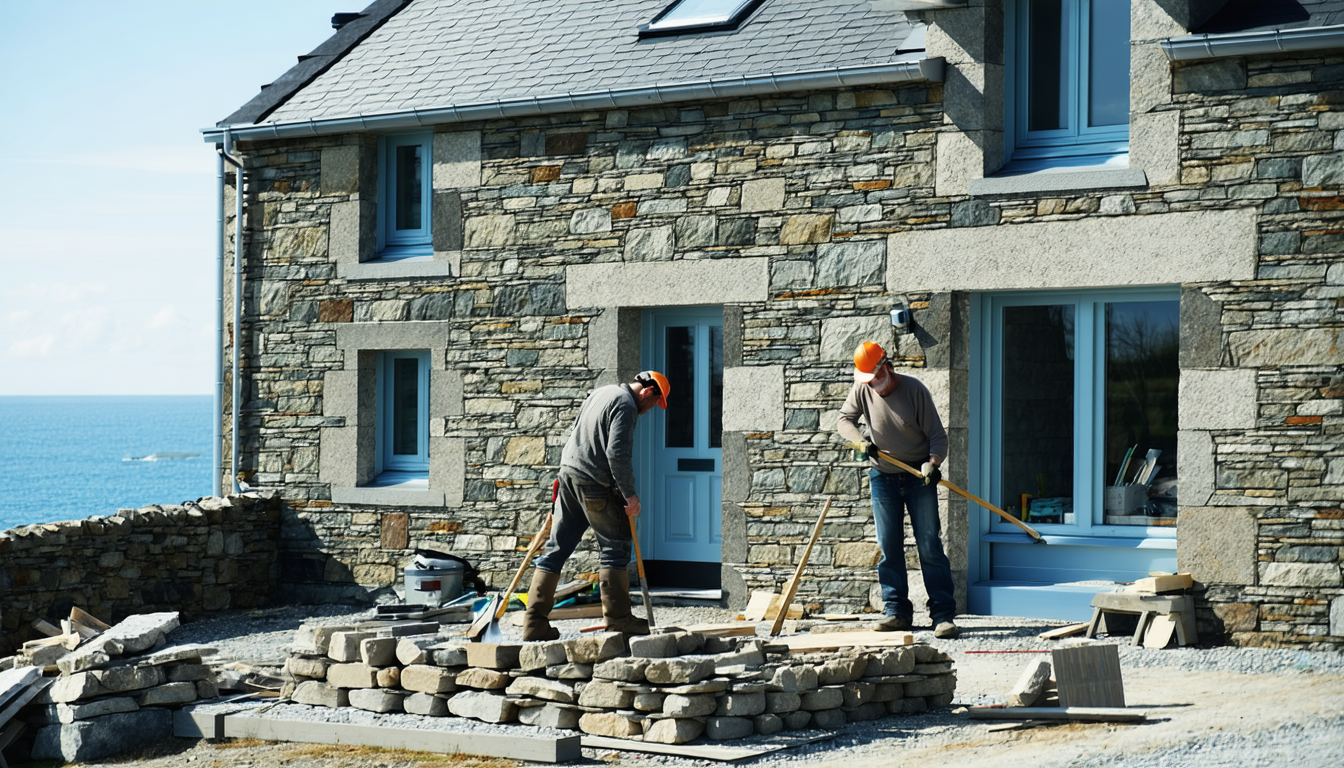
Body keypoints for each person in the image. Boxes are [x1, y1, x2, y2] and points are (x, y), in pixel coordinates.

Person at [522, 370, 671, 640]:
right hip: (593, 481)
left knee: (557, 548)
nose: (648, 411)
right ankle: (619, 620)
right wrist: (630, 495)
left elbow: (576, 434)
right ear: (648, 393)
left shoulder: (601, 393)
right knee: (615, 546)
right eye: (653, 405)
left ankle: (534, 624)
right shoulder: (625, 405)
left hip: (569, 474)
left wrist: (563, 478)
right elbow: (616, 453)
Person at [837, 341, 959, 639]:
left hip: (918, 476)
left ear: (887, 367)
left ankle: (943, 615)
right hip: (883, 476)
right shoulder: (863, 388)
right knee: (888, 545)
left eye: (876, 378)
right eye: (868, 380)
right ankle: (896, 612)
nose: (873, 385)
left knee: (929, 545)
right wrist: (859, 442)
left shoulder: (915, 391)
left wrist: (932, 463)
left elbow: (938, 437)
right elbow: (844, 421)